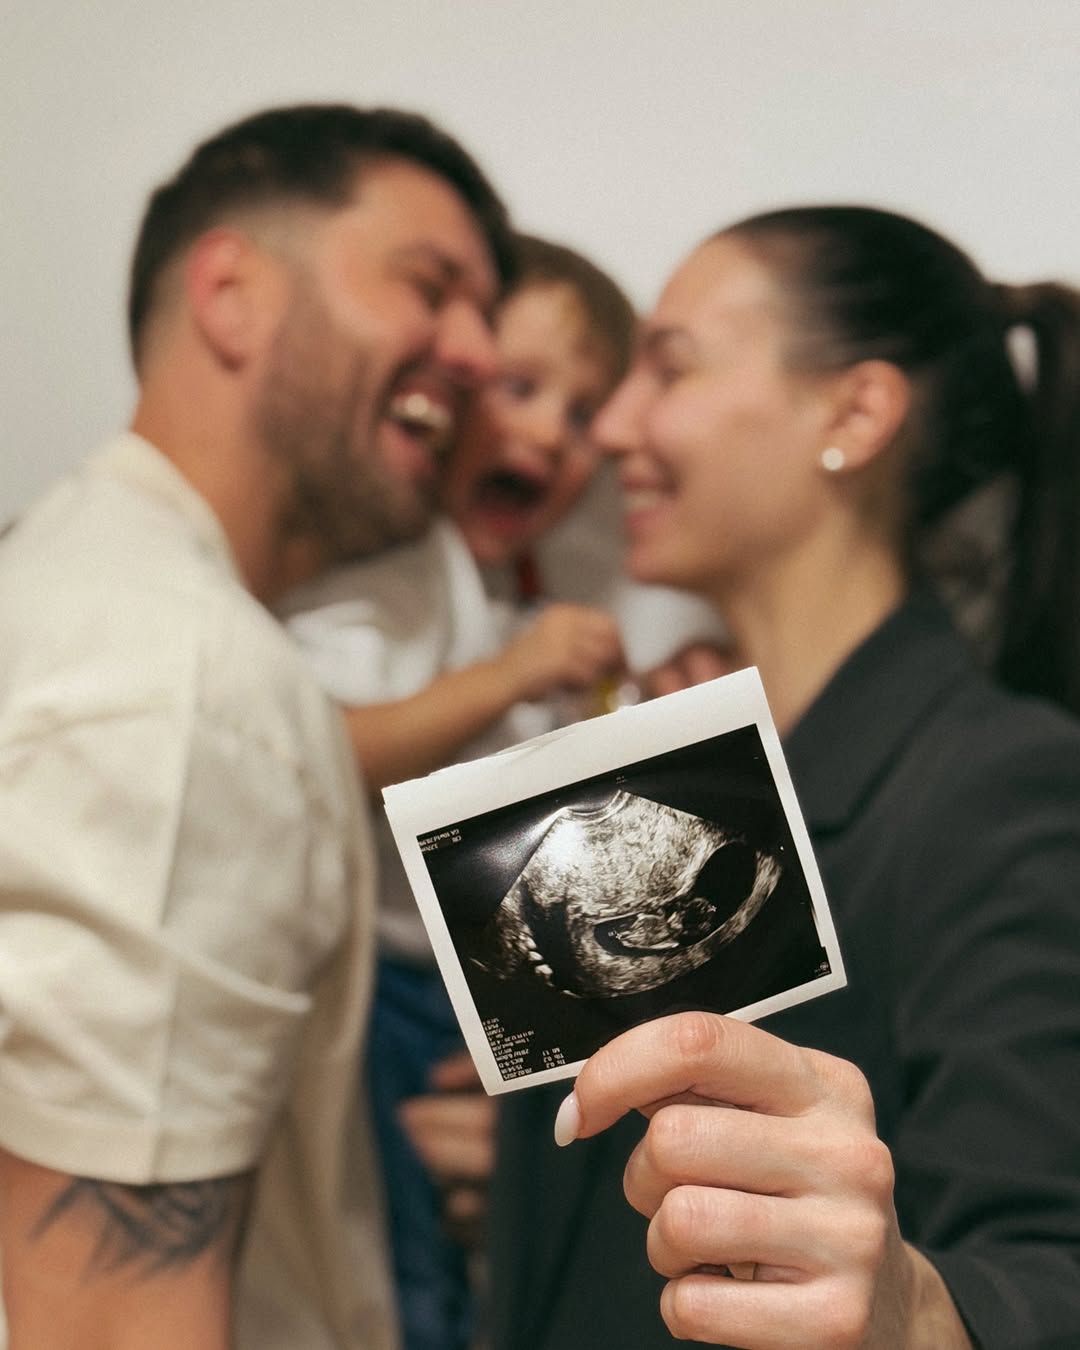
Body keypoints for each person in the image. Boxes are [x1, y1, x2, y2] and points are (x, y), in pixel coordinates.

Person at [485, 206, 1080, 1349]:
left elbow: (1050, 1269)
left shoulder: (1006, 787)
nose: (613, 425)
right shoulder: (646, 778)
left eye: (671, 367)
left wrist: (912, 1307)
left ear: (853, 413)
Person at [0, 101, 518, 1350]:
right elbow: (111, 1322)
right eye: (430, 286)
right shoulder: (188, 685)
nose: (477, 357)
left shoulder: (61, 574)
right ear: (229, 294)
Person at [280, 232, 637, 1350]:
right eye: (521, 390)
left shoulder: (495, 591)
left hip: (461, 979)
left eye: (584, 416)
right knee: (399, 1268)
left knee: (472, 1259)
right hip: (377, 980)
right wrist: (511, 675)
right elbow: (327, 744)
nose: (549, 436)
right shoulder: (384, 569)